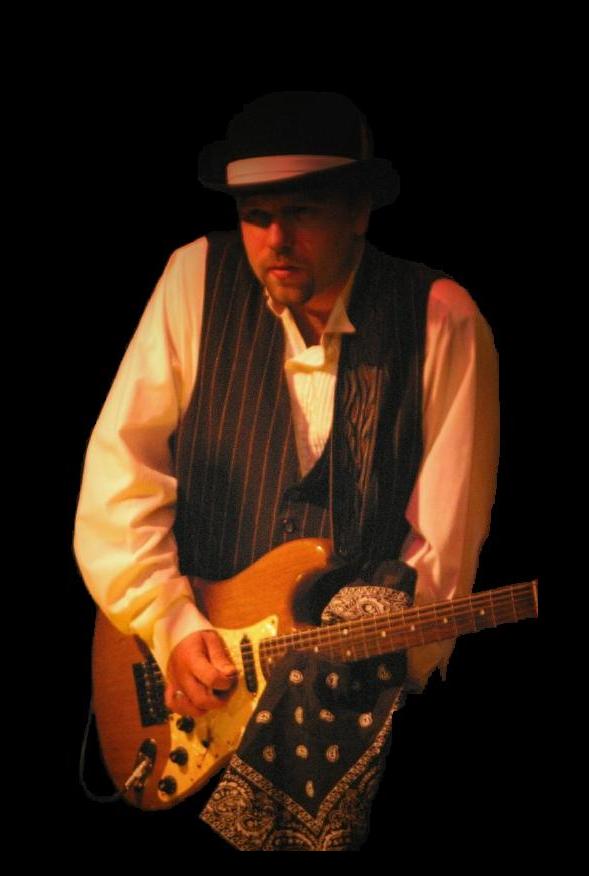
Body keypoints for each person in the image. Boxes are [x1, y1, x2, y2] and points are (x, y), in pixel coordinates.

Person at [74, 91, 499, 849]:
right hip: (192, 690)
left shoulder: (441, 318)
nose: (275, 240)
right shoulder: (195, 279)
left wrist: (366, 657)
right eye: (255, 215)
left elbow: (444, 545)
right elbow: (120, 476)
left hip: (352, 718)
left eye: (301, 212)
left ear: (359, 210)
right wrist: (170, 623)